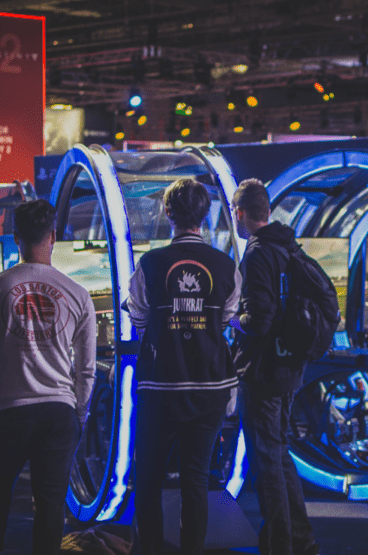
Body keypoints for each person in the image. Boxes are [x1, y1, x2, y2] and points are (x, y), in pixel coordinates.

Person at [0, 199, 97, 555]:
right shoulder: (79, 294)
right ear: (53, 236)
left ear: (15, 236)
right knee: (50, 506)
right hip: (58, 412)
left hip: (7, 412)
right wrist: (79, 414)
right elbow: (85, 369)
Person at [127, 178, 241, 555]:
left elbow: (140, 321)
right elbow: (225, 321)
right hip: (210, 389)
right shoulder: (226, 265)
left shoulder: (150, 263)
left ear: (167, 212)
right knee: (196, 480)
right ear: (205, 216)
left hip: (160, 389)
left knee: (148, 481)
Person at [230, 178, 320, 555]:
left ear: (240, 213)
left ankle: (280, 544)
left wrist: (232, 318)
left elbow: (260, 320)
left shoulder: (257, 253)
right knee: (279, 455)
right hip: (288, 368)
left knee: (267, 461)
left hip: (264, 373)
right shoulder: (288, 247)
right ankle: (300, 540)